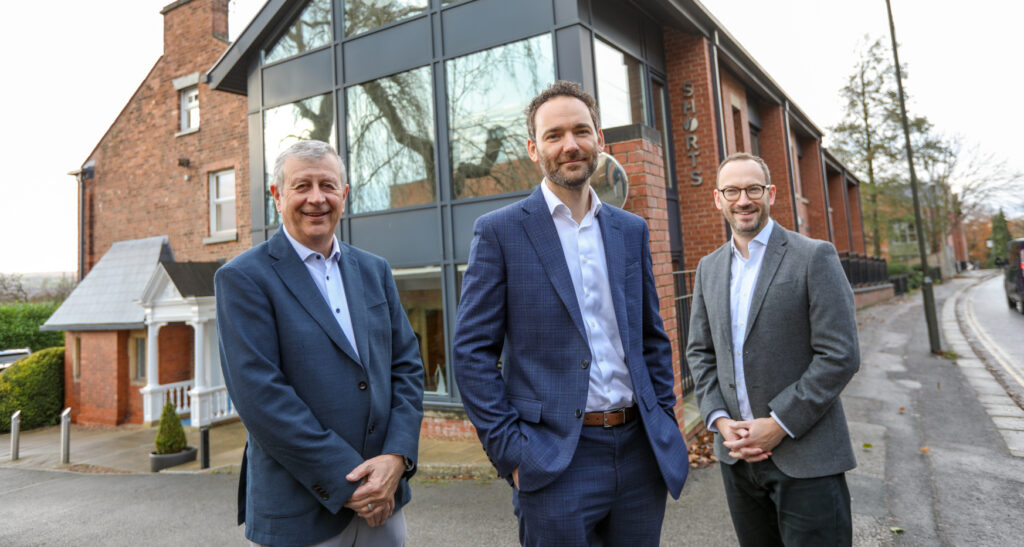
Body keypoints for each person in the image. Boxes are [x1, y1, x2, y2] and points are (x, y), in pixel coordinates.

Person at [453, 80, 689, 546]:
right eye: (554, 135)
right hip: (555, 459)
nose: (570, 145)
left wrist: (663, 416)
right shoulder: (500, 233)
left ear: (600, 139)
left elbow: (651, 336)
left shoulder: (630, 230)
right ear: (533, 149)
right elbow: (471, 353)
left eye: (581, 131)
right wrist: (512, 452)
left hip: (641, 453)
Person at [215, 140, 424, 547]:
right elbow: (261, 397)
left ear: (344, 195)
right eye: (302, 186)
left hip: (385, 499)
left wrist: (396, 459)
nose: (316, 198)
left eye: (328, 185)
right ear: (277, 196)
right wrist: (349, 481)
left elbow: (407, 367)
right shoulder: (243, 278)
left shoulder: (374, 270)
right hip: (301, 512)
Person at [686, 152, 860, 546]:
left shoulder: (814, 256)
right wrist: (718, 419)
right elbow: (700, 352)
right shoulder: (708, 268)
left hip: (808, 459)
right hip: (736, 459)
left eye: (753, 189)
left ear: (771, 193)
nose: (743, 200)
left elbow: (840, 355)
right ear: (718, 199)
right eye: (732, 190)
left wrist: (779, 424)